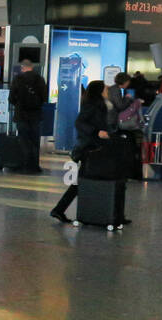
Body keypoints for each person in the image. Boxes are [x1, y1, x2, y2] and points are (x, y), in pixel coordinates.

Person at [50, 81, 125, 223]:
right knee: (82, 180)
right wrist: (97, 132)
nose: (108, 91)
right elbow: (80, 123)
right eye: (106, 89)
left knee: (82, 180)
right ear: (100, 91)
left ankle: (60, 209)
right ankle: (60, 209)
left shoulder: (101, 104)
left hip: (95, 147)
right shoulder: (93, 105)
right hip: (90, 148)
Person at [9, 59, 48, 174]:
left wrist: (18, 104)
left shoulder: (18, 79)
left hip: (22, 115)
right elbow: (44, 97)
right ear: (32, 67)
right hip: (35, 115)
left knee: (24, 141)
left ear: (23, 68)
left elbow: (11, 98)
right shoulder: (40, 79)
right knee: (35, 141)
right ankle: (35, 166)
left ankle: (25, 166)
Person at [108, 72, 144, 180]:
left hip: (112, 120)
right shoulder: (115, 90)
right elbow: (120, 106)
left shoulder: (114, 89)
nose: (128, 84)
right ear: (124, 82)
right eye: (128, 81)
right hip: (111, 121)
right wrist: (128, 98)